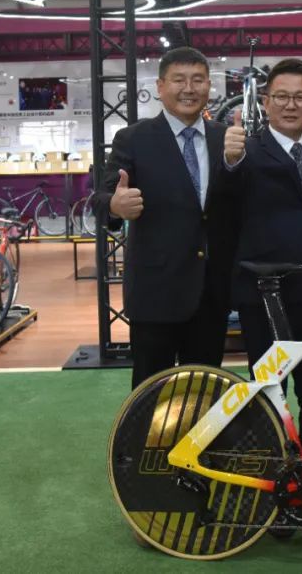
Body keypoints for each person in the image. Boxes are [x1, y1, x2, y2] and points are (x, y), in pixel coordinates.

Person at [223, 57, 302, 543]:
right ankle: (277, 499)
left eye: (301, 97)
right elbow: (226, 192)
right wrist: (230, 160)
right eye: (282, 97)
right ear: (266, 103)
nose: (291, 105)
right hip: (266, 299)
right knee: (271, 400)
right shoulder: (245, 150)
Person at [96, 47, 238, 389]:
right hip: (154, 293)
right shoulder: (133, 138)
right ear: (160, 86)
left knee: (203, 391)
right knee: (150, 393)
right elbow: (101, 197)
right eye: (179, 80)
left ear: (209, 86)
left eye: (198, 80)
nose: (189, 88)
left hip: (210, 294)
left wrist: (236, 164)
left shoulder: (226, 138)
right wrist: (116, 205)